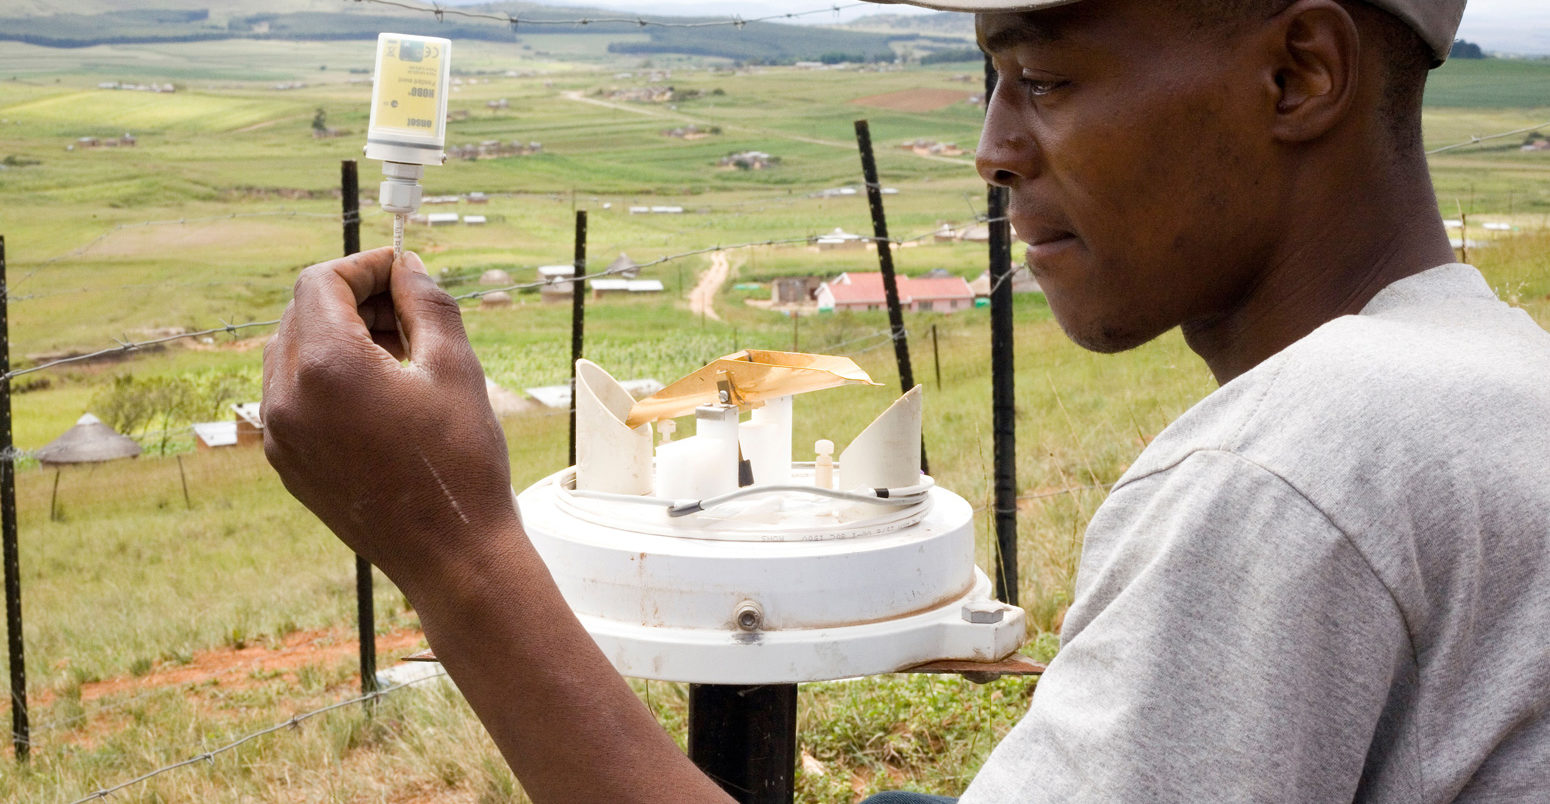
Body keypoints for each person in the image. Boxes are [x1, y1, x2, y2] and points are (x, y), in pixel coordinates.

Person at [261, 0, 1550, 800]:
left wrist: (456, 548)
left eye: (1043, 79)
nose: (994, 146)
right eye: (992, 80)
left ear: (1298, 76)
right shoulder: (1492, 372)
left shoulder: (1294, 477)